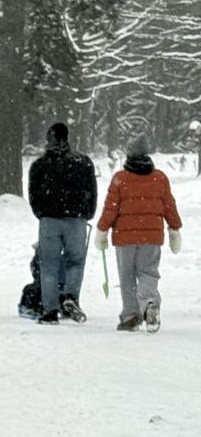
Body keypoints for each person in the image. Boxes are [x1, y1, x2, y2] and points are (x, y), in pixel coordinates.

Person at [95, 137, 184, 332]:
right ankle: (149, 303)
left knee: (126, 276)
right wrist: (174, 227)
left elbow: (111, 208)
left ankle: (131, 316)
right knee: (148, 272)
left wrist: (102, 229)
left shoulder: (120, 178)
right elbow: (169, 205)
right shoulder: (159, 178)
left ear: (129, 153)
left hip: (124, 238)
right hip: (151, 237)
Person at [27, 121, 97, 324]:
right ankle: (71, 298)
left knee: (48, 265)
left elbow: (33, 193)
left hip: (49, 218)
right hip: (76, 218)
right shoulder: (83, 162)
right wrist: (87, 212)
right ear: (67, 138)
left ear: (49, 139)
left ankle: (50, 309)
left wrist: (41, 212)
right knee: (75, 261)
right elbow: (91, 190)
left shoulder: (40, 165)